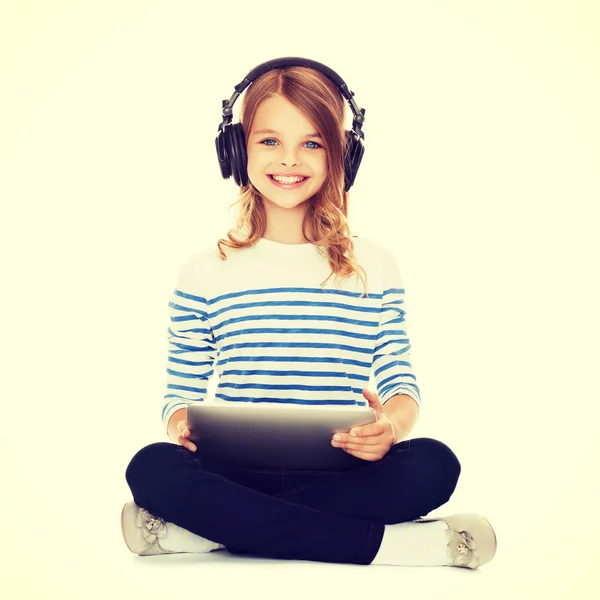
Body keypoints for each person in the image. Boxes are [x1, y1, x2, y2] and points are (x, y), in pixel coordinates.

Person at [121, 58, 497, 569]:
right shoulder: (203, 271)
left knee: (435, 464)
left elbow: (398, 377)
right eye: (269, 140)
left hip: (342, 472)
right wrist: (182, 424)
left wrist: (390, 424)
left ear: (342, 155)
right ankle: (391, 546)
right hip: (235, 471)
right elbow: (179, 395)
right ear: (237, 150)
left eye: (312, 143)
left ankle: (205, 534)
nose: (289, 160)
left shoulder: (376, 266)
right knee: (151, 467)